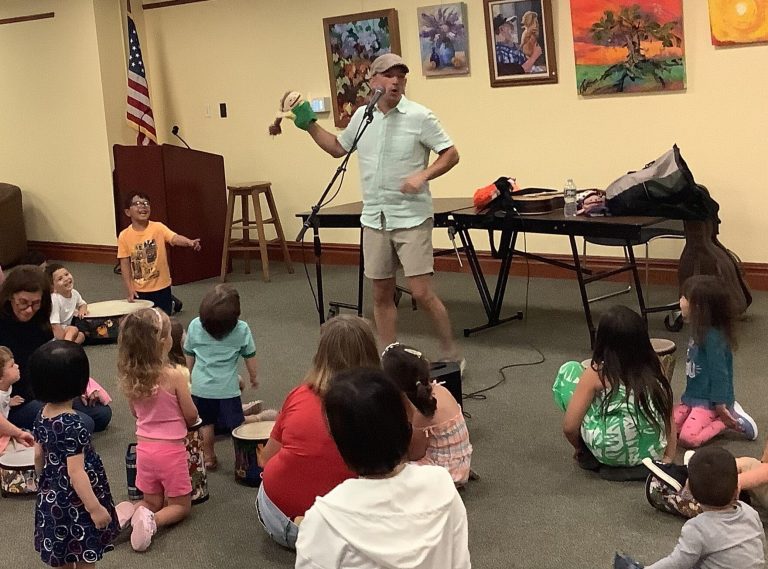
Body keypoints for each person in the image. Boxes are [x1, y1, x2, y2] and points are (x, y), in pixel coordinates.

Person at [301, 53, 463, 367]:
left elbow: (451, 154)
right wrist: (308, 125)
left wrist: (423, 175)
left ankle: (450, 353)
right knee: (380, 294)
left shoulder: (420, 116)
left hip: (412, 217)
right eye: (389, 76)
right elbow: (338, 148)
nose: (396, 81)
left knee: (420, 292)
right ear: (373, 81)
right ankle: (389, 357)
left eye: (401, 76)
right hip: (375, 218)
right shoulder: (363, 116)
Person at [295, 367, 471, 569]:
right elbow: (461, 563)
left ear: (340, 441)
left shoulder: (324, 520)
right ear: (405, 425)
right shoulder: (442, 485)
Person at [256, 315, 380, 550]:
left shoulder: (299, 395)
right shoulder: (381, 405)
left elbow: (268, 458)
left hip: (284, 522)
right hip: (350, 529)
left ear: (320, 356)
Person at [553, 305, 675, 480]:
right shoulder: (655, 365)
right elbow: (668, 413)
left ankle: (596, 452)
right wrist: (668, 457)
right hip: (652, 453)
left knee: (569, 371)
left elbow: (569, 427)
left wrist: (581, 449)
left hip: (608, 452)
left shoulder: (597, 372)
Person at [115, 307, 199, 552]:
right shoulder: (174, 376)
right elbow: (191, 414)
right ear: (163, 343)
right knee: (180, 505)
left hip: (144, 450)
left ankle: (128, 511)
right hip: (171, 452)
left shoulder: (130, 377)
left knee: (151, 500)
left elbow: (135, 413)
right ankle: (154, 520)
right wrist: (189, 421)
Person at [30, 341, 120, 567]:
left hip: (52, 497)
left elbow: (38, 454)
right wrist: (95, 508)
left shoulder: (42, 414)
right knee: (84, 553)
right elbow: (76, 473)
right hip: (77, 502)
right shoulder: (74, 424)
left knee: (60, 551)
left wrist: (45, 481)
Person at [0, 265, 112, 432]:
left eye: (36, 303)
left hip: (45, 389)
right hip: (15, 400)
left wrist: (77, 386)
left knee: (102, 414)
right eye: (23, 302)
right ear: (10, 297)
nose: (29, 309)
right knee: (83, 424)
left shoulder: (40, 320)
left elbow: (51, 361)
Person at [621, 447, 765, 569]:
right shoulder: (750, 513)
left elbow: (677, 563)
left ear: (691, 496)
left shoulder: (698, 528)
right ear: (737, 489)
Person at [674, 275, 757, 447]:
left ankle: (728, 420)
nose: (680, 301)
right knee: (669, 429)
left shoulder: (713, 337)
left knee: (687, 439)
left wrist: (720, 404)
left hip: (710, 402)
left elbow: (720, 374)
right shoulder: (698, 330)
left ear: (699, 308)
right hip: (692, 398)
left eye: (684, 298)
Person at [183, 284, 258, 470]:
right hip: (228, 390)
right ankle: (242, 461)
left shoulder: (194, 325)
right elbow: (250, 356)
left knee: (206, 424)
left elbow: (189, 353)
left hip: (201, 389)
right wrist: (253, 377)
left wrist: (189, 374)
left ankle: (209, 457)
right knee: (237, 426)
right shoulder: (241, 330)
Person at [381, 342, 472, 485]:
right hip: (461, 463)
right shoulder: (441, 390)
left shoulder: (423, 413)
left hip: (447, 474)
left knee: (392, 470)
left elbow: (415, 454)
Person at [117, 192, 201, 315]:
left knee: (163, 317)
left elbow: (174, 238)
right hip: (140, 288)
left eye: (146, 204)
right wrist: (129, 288)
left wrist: (189, 242)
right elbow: (124, 263)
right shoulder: (124, 235)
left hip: (162, 286)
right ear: (128, 212)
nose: (143, 207)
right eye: (137, 204)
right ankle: (173, 302)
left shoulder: (158, 227)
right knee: (144, 320)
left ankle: (171, 303)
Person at [0, 346, 34, 452]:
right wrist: (18, 433)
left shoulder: (7, 387)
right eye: (11, 366)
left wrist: (9, 402)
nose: (17, 366)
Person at [46, 262, 87, 344]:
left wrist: (82, 310)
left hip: (65, 328)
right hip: (52, 331)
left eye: (66, 274)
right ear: (53, 287)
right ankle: (65, 346)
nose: (66, 279)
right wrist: (62, 339)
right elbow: (54, 325)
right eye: (60, 279)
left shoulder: (74, 293)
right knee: (73, 329)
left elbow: (82, 304)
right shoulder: (55, 299)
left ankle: (69, 346)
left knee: (81, 335)